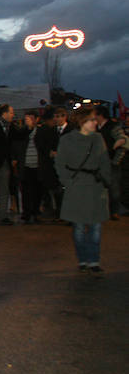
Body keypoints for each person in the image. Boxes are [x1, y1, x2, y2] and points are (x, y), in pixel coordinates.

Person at [55, 108, 111, 274]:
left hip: (95, 186)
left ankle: (94, 260)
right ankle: (83, 259)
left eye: (95, 120)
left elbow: (104, 162)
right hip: (77, 187)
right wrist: (67, 181)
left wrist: (106, 180)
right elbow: (59, 163)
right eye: (91, 120)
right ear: (82, 122)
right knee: (79, 227)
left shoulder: (98, 139)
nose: (95, 122)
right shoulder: (67, 140)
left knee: (95, 227)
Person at [12, 110, 55, 224]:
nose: (28, 120)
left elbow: (45, 146)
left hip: (38, 166)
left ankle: (36, 211)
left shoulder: (42, 131)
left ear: (36, 119)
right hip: (25, 166)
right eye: (26, 118)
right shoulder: (22, 132)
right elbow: (17, 144)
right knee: (25, 191)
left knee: (37, 190)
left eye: (30, 118)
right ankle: (26, 212)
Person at [93, 106, 127, 219]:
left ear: (100, 115)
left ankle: (114, 211)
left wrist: (115, 161)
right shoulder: (95, 128)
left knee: (114, 189)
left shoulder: (113, 126)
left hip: (112, 162)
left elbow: (122, 141)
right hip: (98, 163)